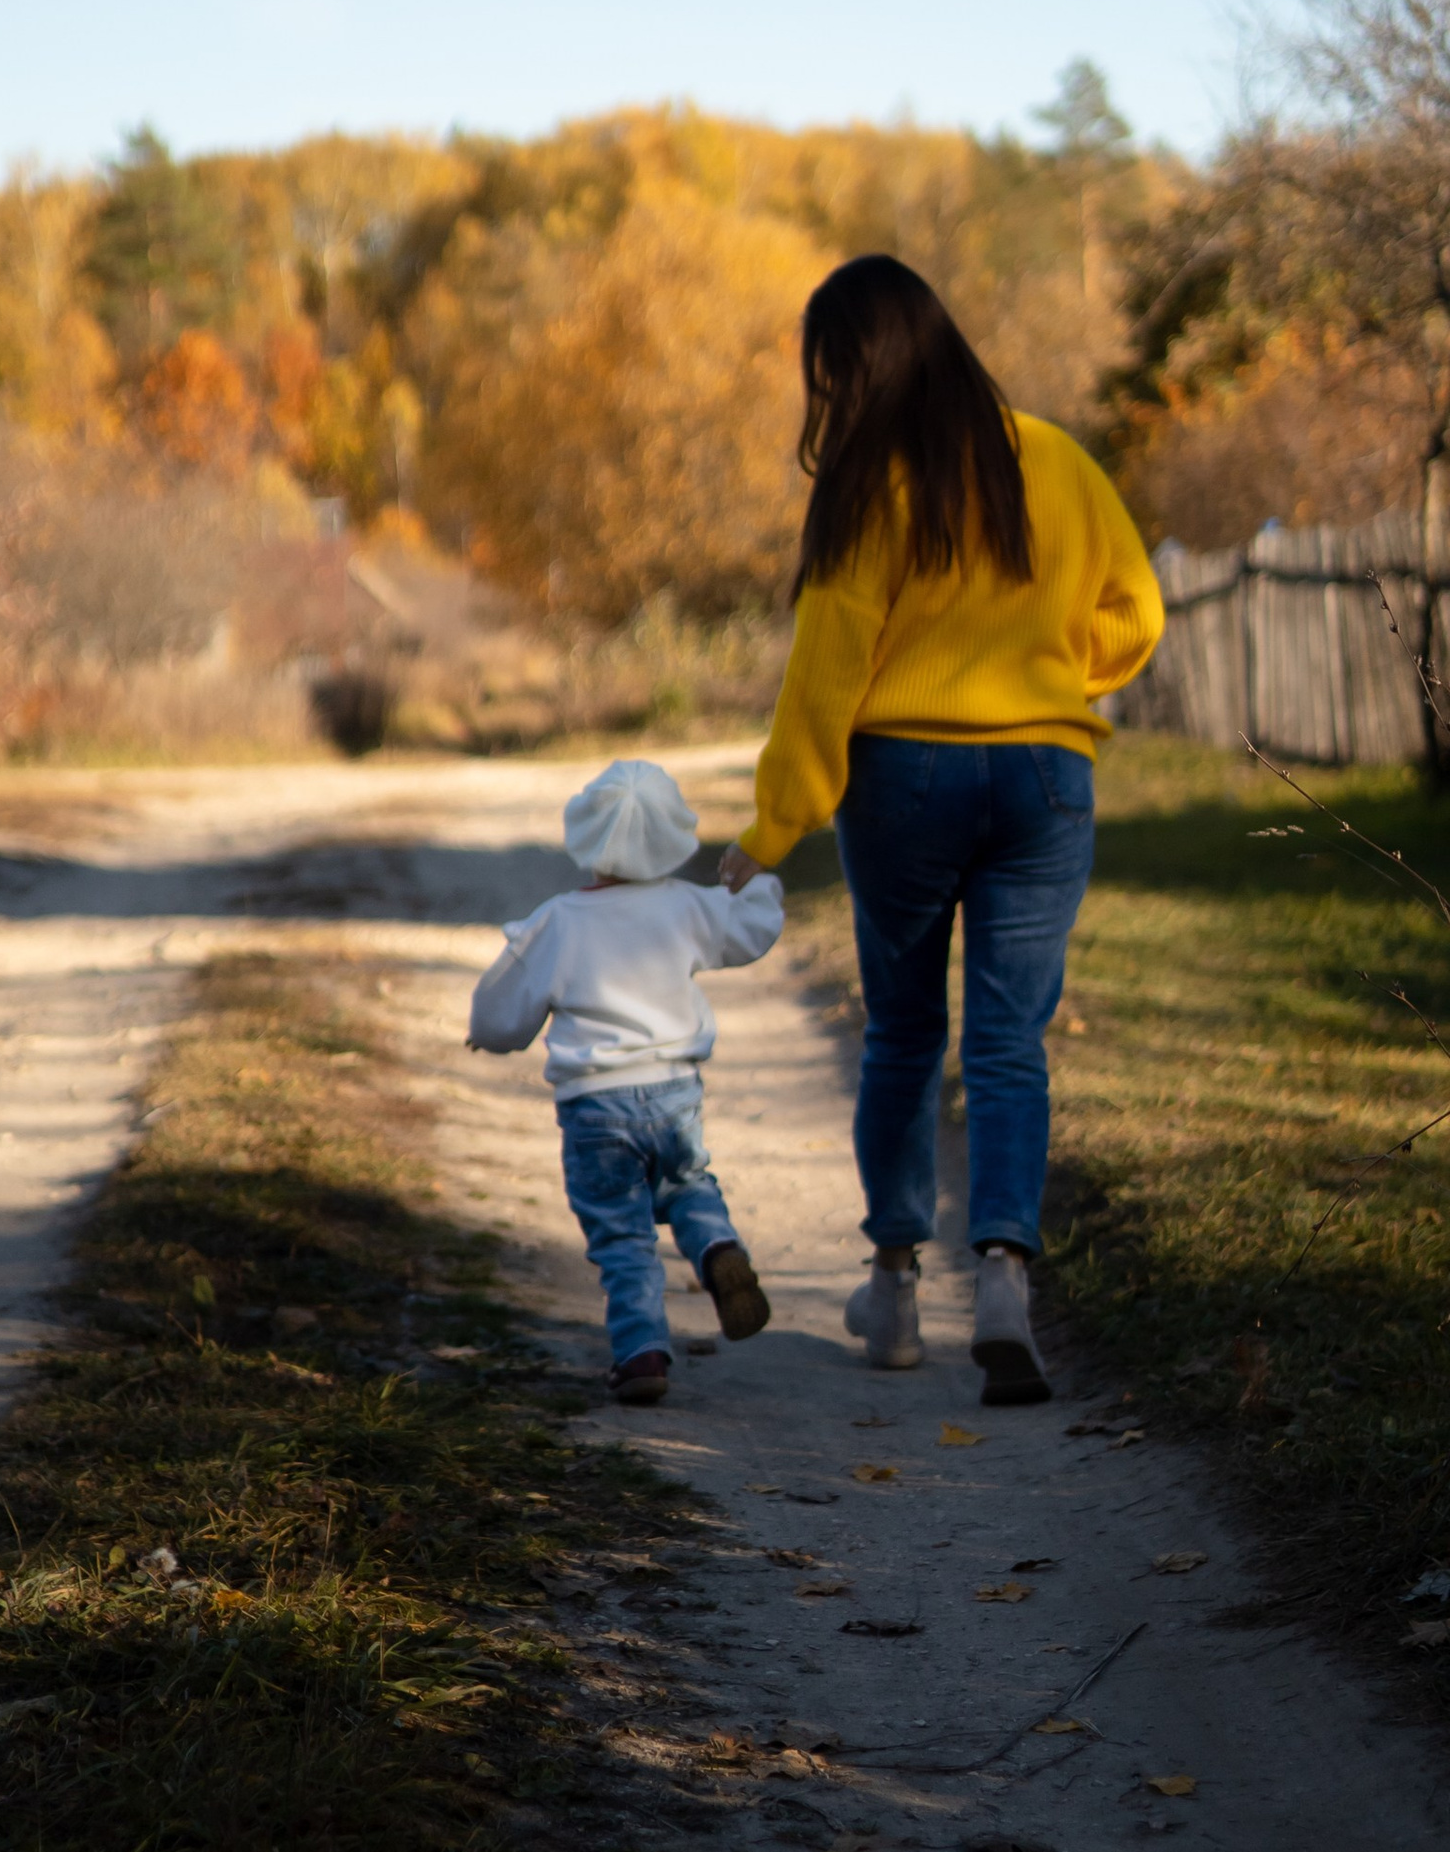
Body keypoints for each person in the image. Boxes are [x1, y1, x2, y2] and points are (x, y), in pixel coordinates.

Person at [718, 255, 1163, 1403]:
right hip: (1045, 776)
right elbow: (1138, 612)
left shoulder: (873, 486)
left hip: (906, 778)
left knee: (905, 1035)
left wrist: (769, 831)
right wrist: (1062, 673)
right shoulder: (1056, 460)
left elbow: (826, 676)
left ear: (854, 365)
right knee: (1009, 1040)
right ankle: (1006, 1277)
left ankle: (898, 1290)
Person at [469, 756, 783, 1408]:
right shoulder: (688, 907)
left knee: (620, 1231)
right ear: (674, 836)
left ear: (586, 835)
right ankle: (718, 1245)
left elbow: (503, 1008)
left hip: (595, 1110)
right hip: (673, 1093)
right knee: (689, 1184)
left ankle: (640, 1352)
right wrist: (760, 884)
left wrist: (490, 1033)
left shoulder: (559, 920)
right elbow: (751, 928)